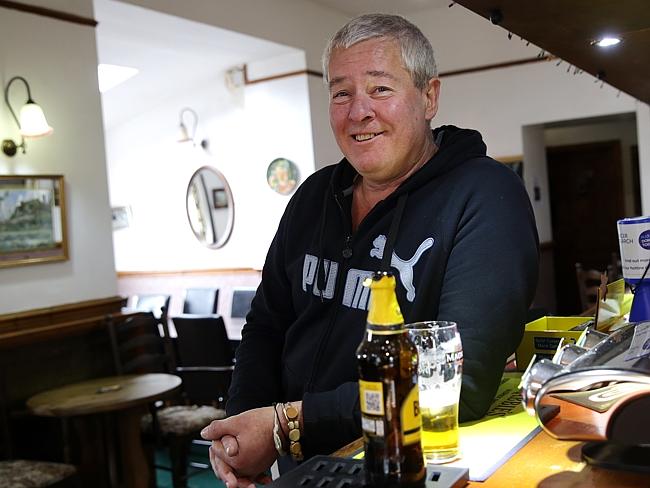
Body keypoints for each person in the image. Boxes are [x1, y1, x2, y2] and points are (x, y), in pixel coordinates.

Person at [201, 12, 539, 487]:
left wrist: (287, 424)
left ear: (429, 97)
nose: (359, 111)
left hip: (407, 465)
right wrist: (242, 429)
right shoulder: (314, 196)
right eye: (341, 93)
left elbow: (459, 380)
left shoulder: (485, 194)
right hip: (302, 467)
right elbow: (267, 324)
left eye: (380, 89)